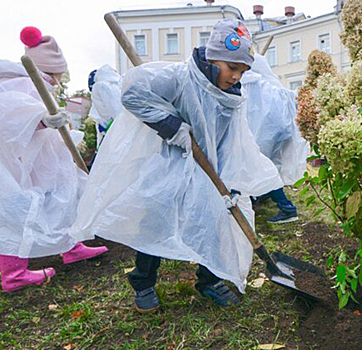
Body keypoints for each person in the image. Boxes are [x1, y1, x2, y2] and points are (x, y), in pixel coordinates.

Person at [71, 19, 283, 313]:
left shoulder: (231, 97)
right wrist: (174, 127)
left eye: (242, 71)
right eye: (232, 67)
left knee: (217, 218)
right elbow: (132, 94)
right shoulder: (178, 77)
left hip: (209, 168)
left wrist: (230, 176)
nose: (236, 76)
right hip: (167, 163)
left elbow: (232, 139)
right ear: (213, 57)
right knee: (156, 218)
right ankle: (142, 282)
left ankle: (210, 280)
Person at [0, 27, 108, 292]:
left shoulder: (38, 83)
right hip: (23, 162)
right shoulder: (19, 82)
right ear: (48, 70)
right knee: (20, 209)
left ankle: (71, 246)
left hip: (42, 158)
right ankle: (13, 274)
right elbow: (10, 114)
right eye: (58, 75)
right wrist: (40, 119)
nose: (60, 81)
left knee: (64, 195)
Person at [241, 54, 308, 224]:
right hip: (278, 132)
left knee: (261, 168)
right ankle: (259, 197)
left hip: (265, 134)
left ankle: (286, 208)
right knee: (266, 167)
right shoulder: (268, 85)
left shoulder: (249, 85)